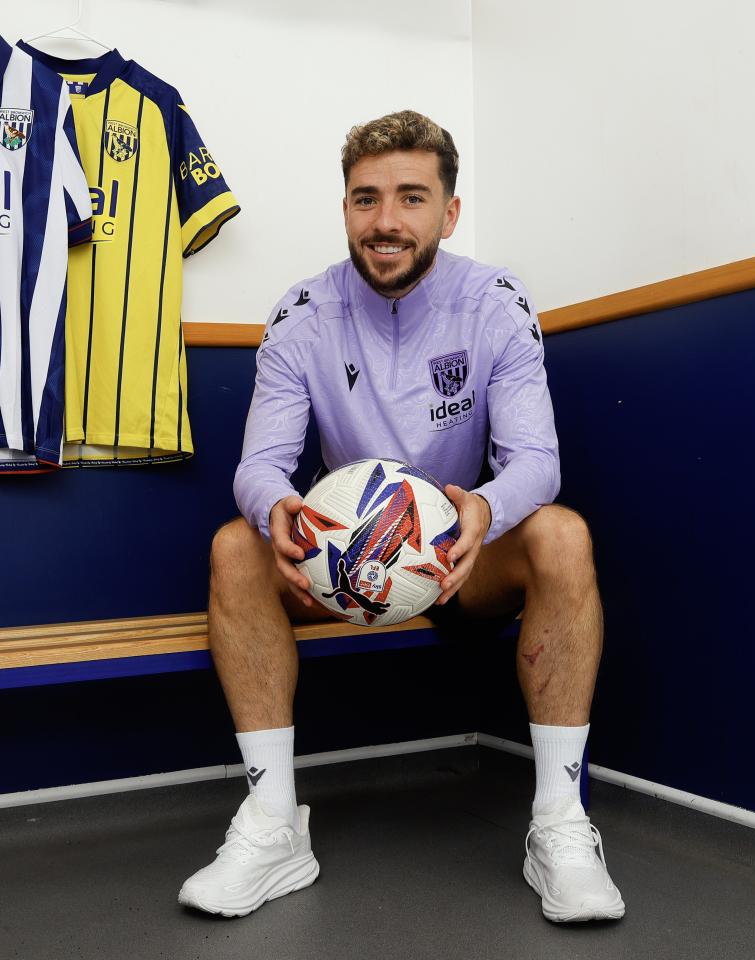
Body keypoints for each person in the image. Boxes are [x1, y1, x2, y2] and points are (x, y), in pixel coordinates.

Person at [177, 111, 624, 923]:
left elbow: (538, 461)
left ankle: (559, 824)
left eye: (411, 198)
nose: (386, 221)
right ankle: (275, 827)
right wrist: (275, 505)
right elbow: (260, 465)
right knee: (233, 548)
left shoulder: (494, 301)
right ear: (345, 206)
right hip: (339, 567)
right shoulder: (302, 312)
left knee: (563, 532)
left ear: (448, 213)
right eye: (365, 198)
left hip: (459, 556)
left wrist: (483, 508)